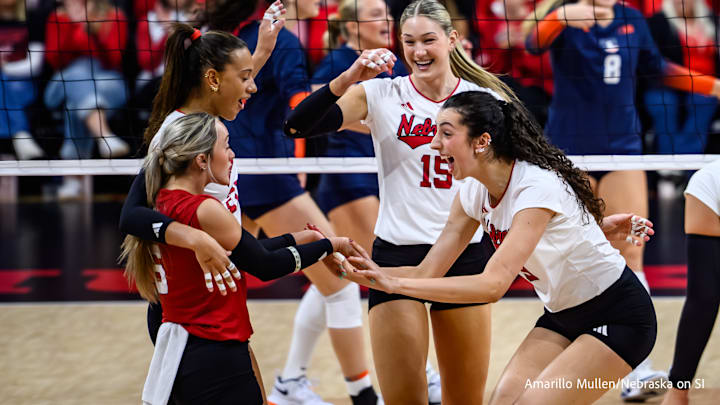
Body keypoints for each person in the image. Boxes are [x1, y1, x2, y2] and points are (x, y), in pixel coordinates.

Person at [344, 90, 658, 405]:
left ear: (481, 142)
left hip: (619, 316)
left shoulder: (534, 187)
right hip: (560, 317)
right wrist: (365, 272)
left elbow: (492, 285)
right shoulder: (472, 194)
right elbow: (428, 272)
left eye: (446, 133)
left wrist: (393, 283)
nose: (434, 143)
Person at [285, 1, 516, 403]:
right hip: (396, 255)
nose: (419, 51)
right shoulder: (380, 93)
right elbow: (297, 125)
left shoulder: (484, 99)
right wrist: (349, 77)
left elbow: (520, 175)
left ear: (452, 40)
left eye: (429, 40)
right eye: (409, 42)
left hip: (464, 256)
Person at [524, 0, 720, 399]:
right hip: (568, 153)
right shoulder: (564, 16)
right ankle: (572, 356)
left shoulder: (631, 18)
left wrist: (710, 84)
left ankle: (637, 369)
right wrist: (559, 16)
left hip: (622, 150)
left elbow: (657, 70)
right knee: (573, 258)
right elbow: (531, 44)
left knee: (632, 252)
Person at [122, 112, 365, 405]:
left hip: (181, 349)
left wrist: (301, 239)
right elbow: (265, 266)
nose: (232, 154)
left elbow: (249, 254)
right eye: (226, 145)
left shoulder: (156, 202)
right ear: (201, 160)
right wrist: (331, 245)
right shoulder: (205, 209)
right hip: (215, 351)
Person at [207, 1, 383, 403]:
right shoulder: (281, 41)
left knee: (221, 288)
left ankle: (286, 382)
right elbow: (301, 109)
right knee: (338, 277)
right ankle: (362, 394)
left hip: (232, 168)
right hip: (263, 169)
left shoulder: (234, 37)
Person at [119, 6, 285, 339]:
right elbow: (132, 216)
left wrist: (262, 53)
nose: (251, 88)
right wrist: (195, 239)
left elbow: (226, 86)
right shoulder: (177, 134)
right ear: (213, 79)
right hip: (184, 313)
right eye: (245, 78)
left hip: (211, 301)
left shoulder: (207, 118)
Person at [44, 0, 130, 198]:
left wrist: (93, 29)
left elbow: (113, 60)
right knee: (78, 74)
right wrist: (73, 25)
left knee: (77, 101)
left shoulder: (114, 15)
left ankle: (72, 179)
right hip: (62, 81)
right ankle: (104, 135)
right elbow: (55, 60)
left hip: (107, 81)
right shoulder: (58, 17)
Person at [660, 159, 720, 405]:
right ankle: (678, 391)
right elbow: (702, 299)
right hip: (709, 192)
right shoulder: (709, 181)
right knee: (703, 298)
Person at [644, 0, 718, 156]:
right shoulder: (658, 21)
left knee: (703, 100)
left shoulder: (712, 20)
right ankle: (668, 161)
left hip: (706, 85)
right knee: (663, 103)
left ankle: (688, 159)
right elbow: (655, 64)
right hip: (668, 83)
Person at [0, 0, 45, 160]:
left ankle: (16, 134)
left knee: (3, 80)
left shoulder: (32, 19)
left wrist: (5, 68)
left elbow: (36, 64)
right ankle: (20, 134)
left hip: (23, 83)